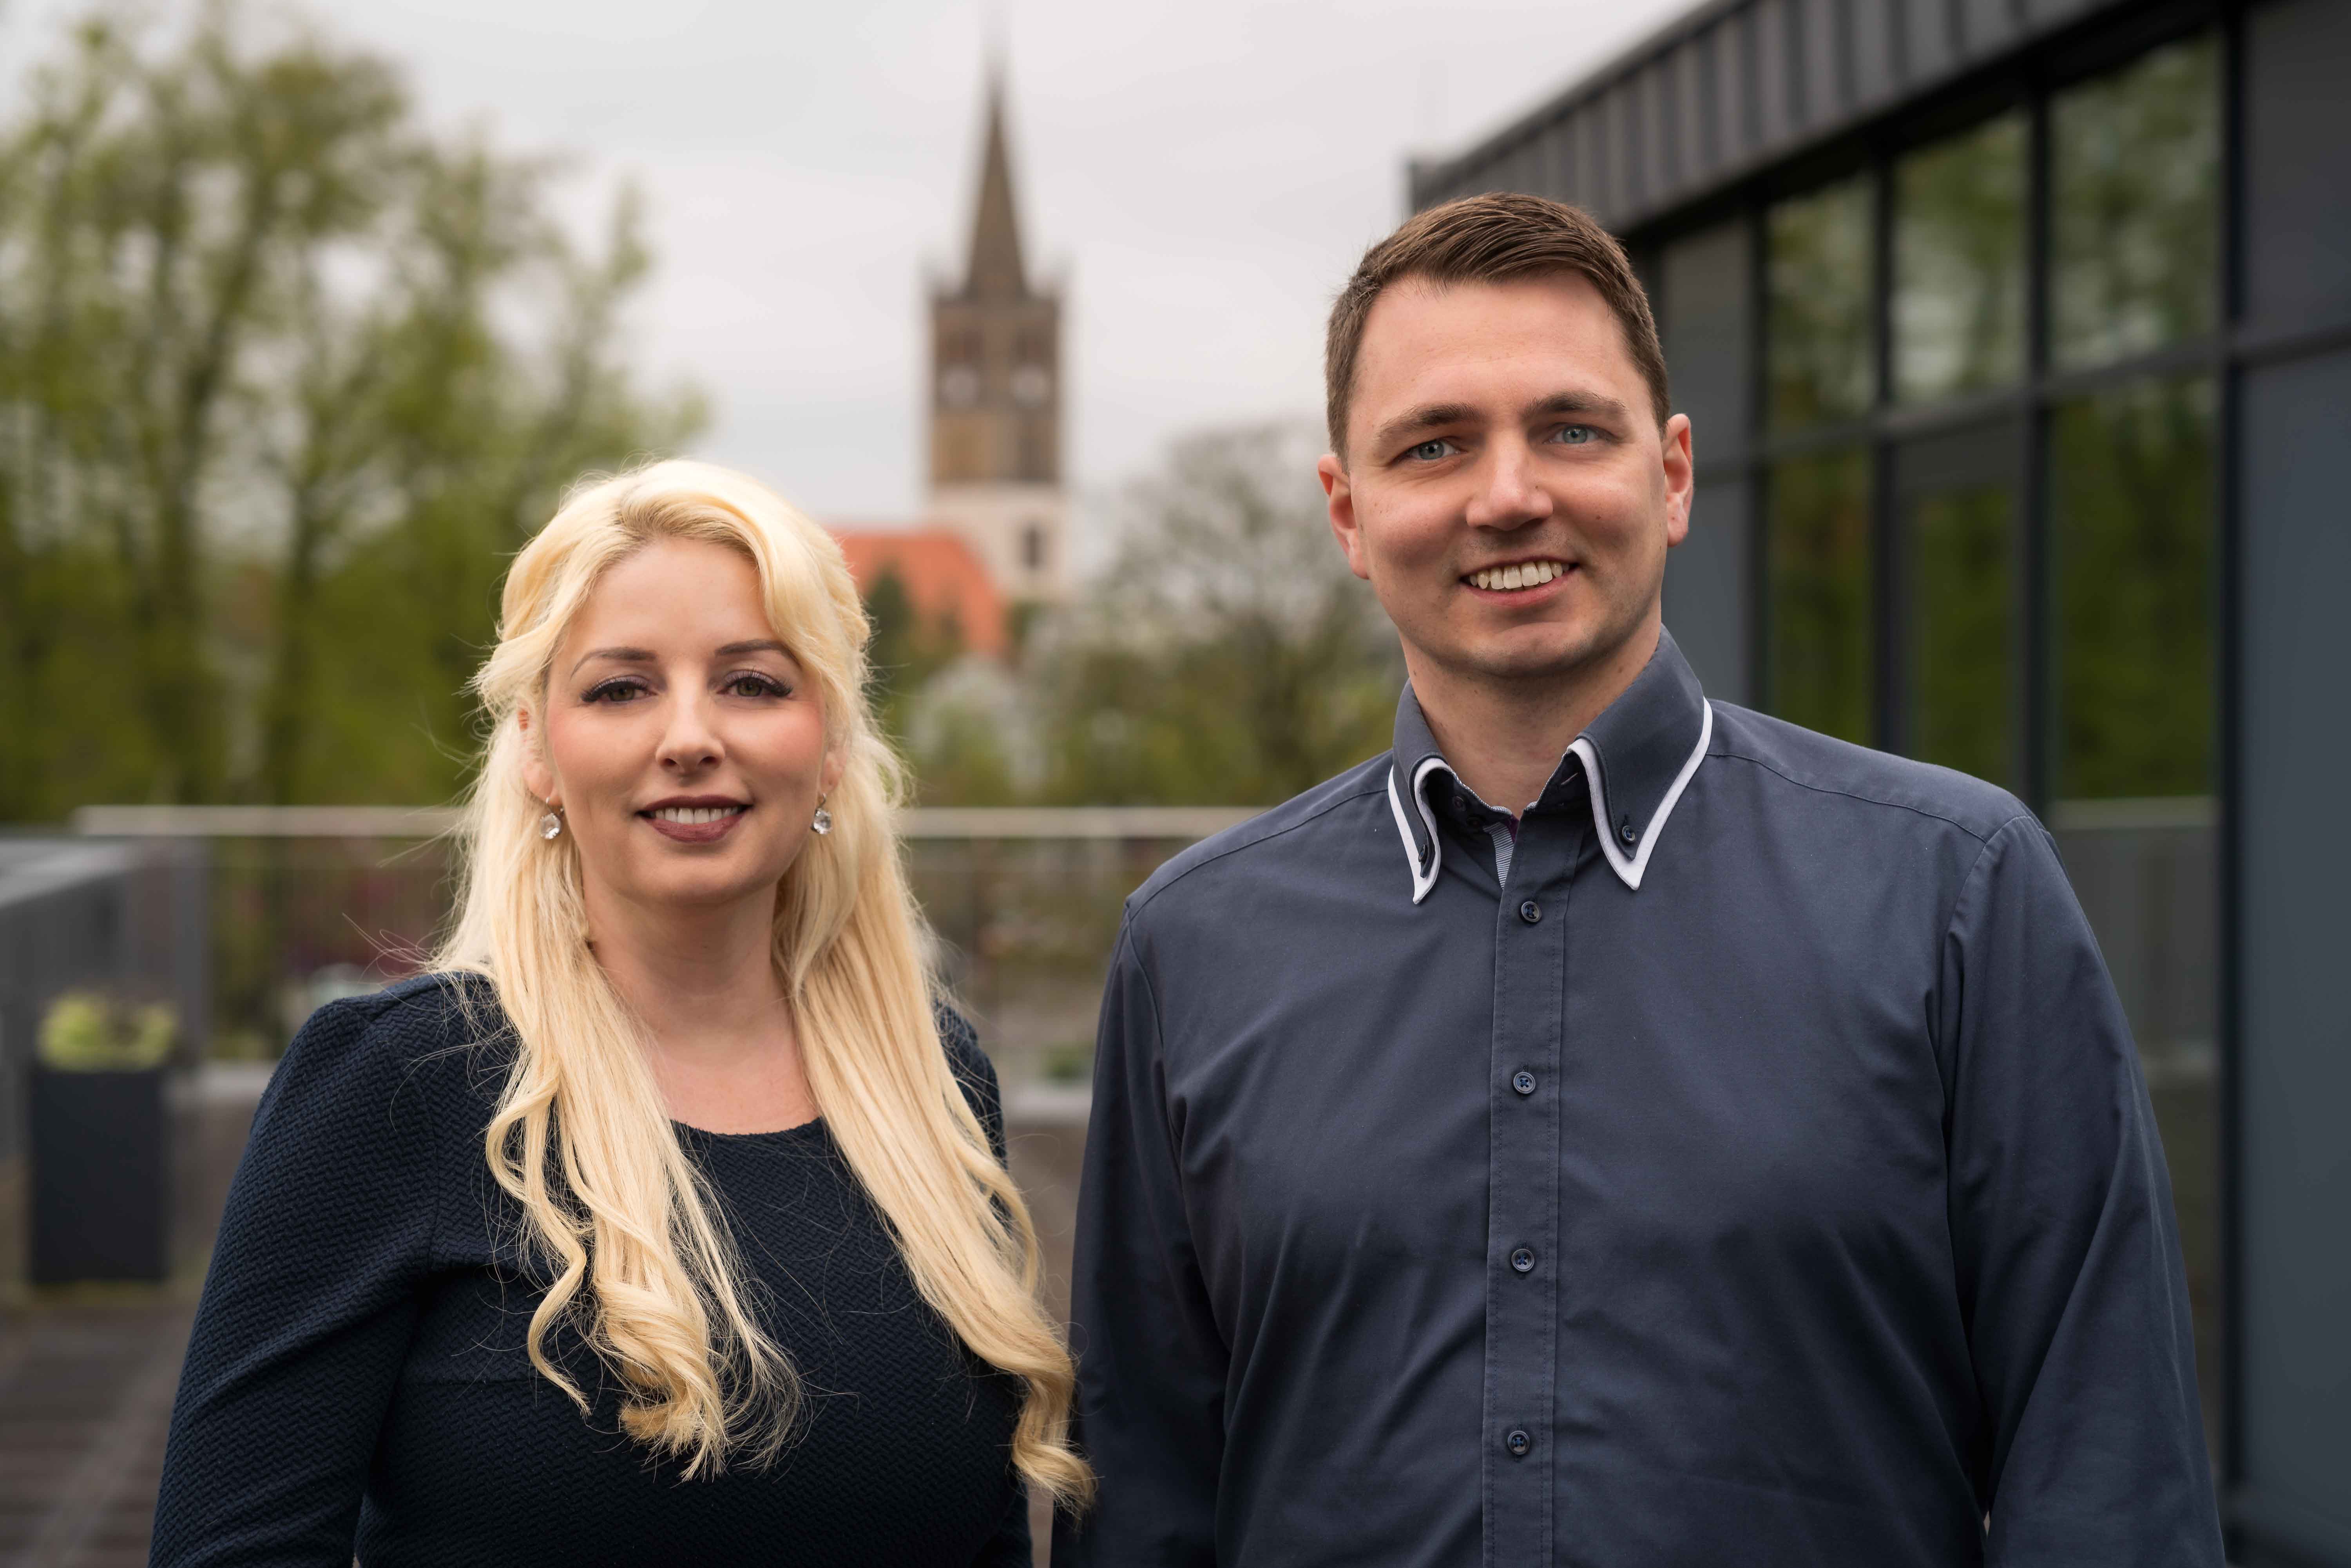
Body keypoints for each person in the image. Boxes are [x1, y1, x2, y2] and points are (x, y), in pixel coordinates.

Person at [1054, 193, 2222, 1566]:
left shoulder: (1958, 894)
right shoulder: (1193, 946)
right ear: (1349, 512)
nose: (1508, 494)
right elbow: (1142, 1499)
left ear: (1670, 475)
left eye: (1570, 428)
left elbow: (2108, 1479)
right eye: (1435, 445)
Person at [152, 460, 1089, 1564]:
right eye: (620, 688)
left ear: (831, 743)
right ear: (540, 749)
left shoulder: (931, 1077)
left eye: (752, 682)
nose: (689, 734)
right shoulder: (401, 1086)